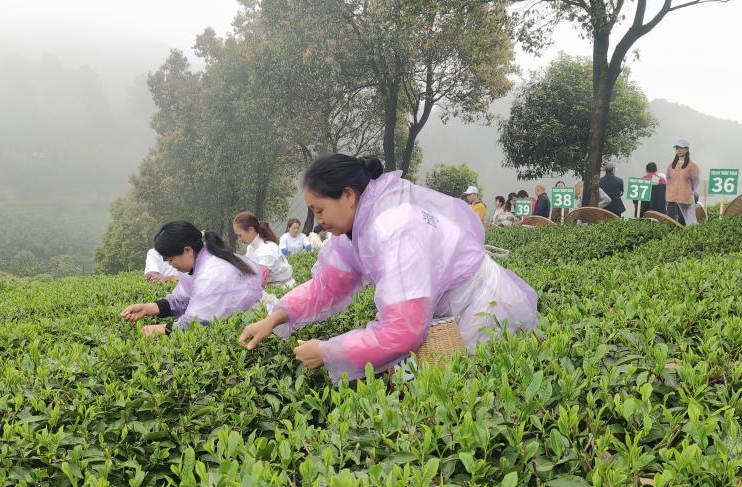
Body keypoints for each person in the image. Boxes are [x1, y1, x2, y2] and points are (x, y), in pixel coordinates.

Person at [238, 154, 539, 382]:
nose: (318, 220)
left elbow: (403, 330)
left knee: (463, 399)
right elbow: (327, 286)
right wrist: (275, 317)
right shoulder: (356, 224)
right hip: (444, 316)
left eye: (320, 210)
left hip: (482, 312)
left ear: (348, 195)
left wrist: (328, 351)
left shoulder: (394, 228)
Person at [120, 222, 265, 337]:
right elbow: (181, 300)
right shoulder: (198, 261)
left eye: (170, 259)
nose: (171, 265)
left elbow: (197, 321)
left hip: (250, 325)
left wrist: (161, 329)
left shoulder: (212, 273)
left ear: (188, 250)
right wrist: (147, 308)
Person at [234, 212, 295, 289]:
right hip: (271, 285)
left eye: (240, 235)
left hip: (282, 288)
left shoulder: (266, 251)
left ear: (251, 230)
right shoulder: (251, 247)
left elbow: (258, 281)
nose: (239, 239)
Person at [666, 141, 700, 226]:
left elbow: (695, 181)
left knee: (683, 222)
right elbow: (668, 179)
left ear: (687, 149)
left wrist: (689, 191)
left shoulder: (692, 165)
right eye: (677, 148)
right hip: (671, 198)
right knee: (671, 222)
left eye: (681, 148)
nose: (679, 150)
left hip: (685, 198)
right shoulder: (671, 165)